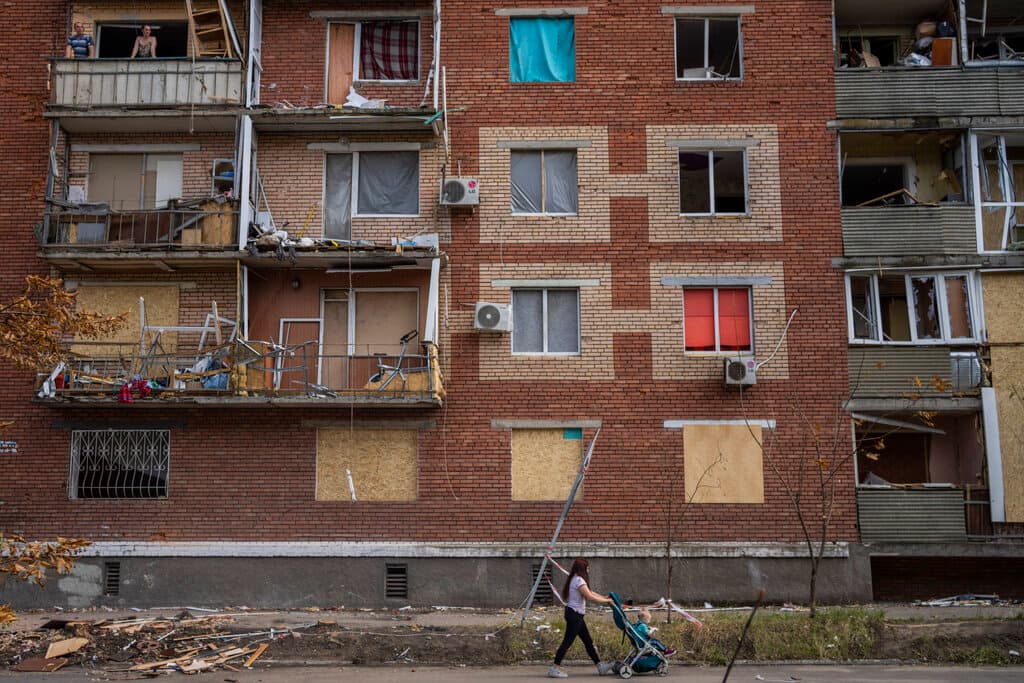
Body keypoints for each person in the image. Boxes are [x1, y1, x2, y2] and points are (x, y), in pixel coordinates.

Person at [548, 558, 615, 679]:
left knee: (588, 641)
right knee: (567, 642)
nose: (589, 570)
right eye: (587, 567)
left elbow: (590, 592)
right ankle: (554, 668)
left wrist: (605, 597)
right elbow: (590, 597)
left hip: (575, 614)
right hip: (574, 615)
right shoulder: (579, 580)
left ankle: (600, 666)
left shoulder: (575, 579)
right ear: (583, 569)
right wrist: (607, 601)